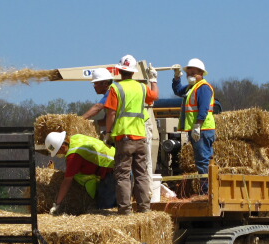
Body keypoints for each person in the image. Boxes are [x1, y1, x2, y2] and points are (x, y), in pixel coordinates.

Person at [102, 54, 159, 214]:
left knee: (123, 175)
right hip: (141, 138)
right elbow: (154, 96)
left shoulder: (116, 88)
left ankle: (126, 211)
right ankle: (144, 209)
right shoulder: (141, 87)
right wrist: (153, 80)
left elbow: (111, 113)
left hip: (124, 138)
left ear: (119, 70)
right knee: (141, 174)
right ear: (133, 72)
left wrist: (108, 133)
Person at [44, 131, 116, 214]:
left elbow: (67, 181)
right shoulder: (75, 137)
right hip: (117, 156)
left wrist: (57, 204)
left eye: (57, 153)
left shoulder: (73, 156)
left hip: (111, 170)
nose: (59, 155)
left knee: (105, 209)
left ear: (62, 147)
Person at [172, 58, 216, 194]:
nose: (190, 75)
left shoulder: (203, 87)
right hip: (198, 129)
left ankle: (206, 193)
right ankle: (206, 191)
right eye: (188, 73)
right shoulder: (191, 88)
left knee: (203, 161)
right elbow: (178, 90)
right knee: (203, 160)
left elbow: (203, 109)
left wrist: (198, 125)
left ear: (201, 73)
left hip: (202, 129)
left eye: (193, 73)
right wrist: (176, 77)